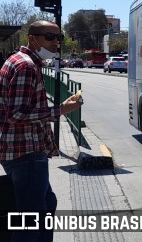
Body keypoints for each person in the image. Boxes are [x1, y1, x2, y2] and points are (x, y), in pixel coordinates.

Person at [0, 20, 84, 242]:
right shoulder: (26, 66)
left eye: (59, 37)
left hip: (20, 151)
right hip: (25, 154)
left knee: (45, 205)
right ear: (33, 38)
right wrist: (62, 109)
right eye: (50, 37)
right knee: (32, 219)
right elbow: (17, 113)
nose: (56, 42)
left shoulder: (18, 61)